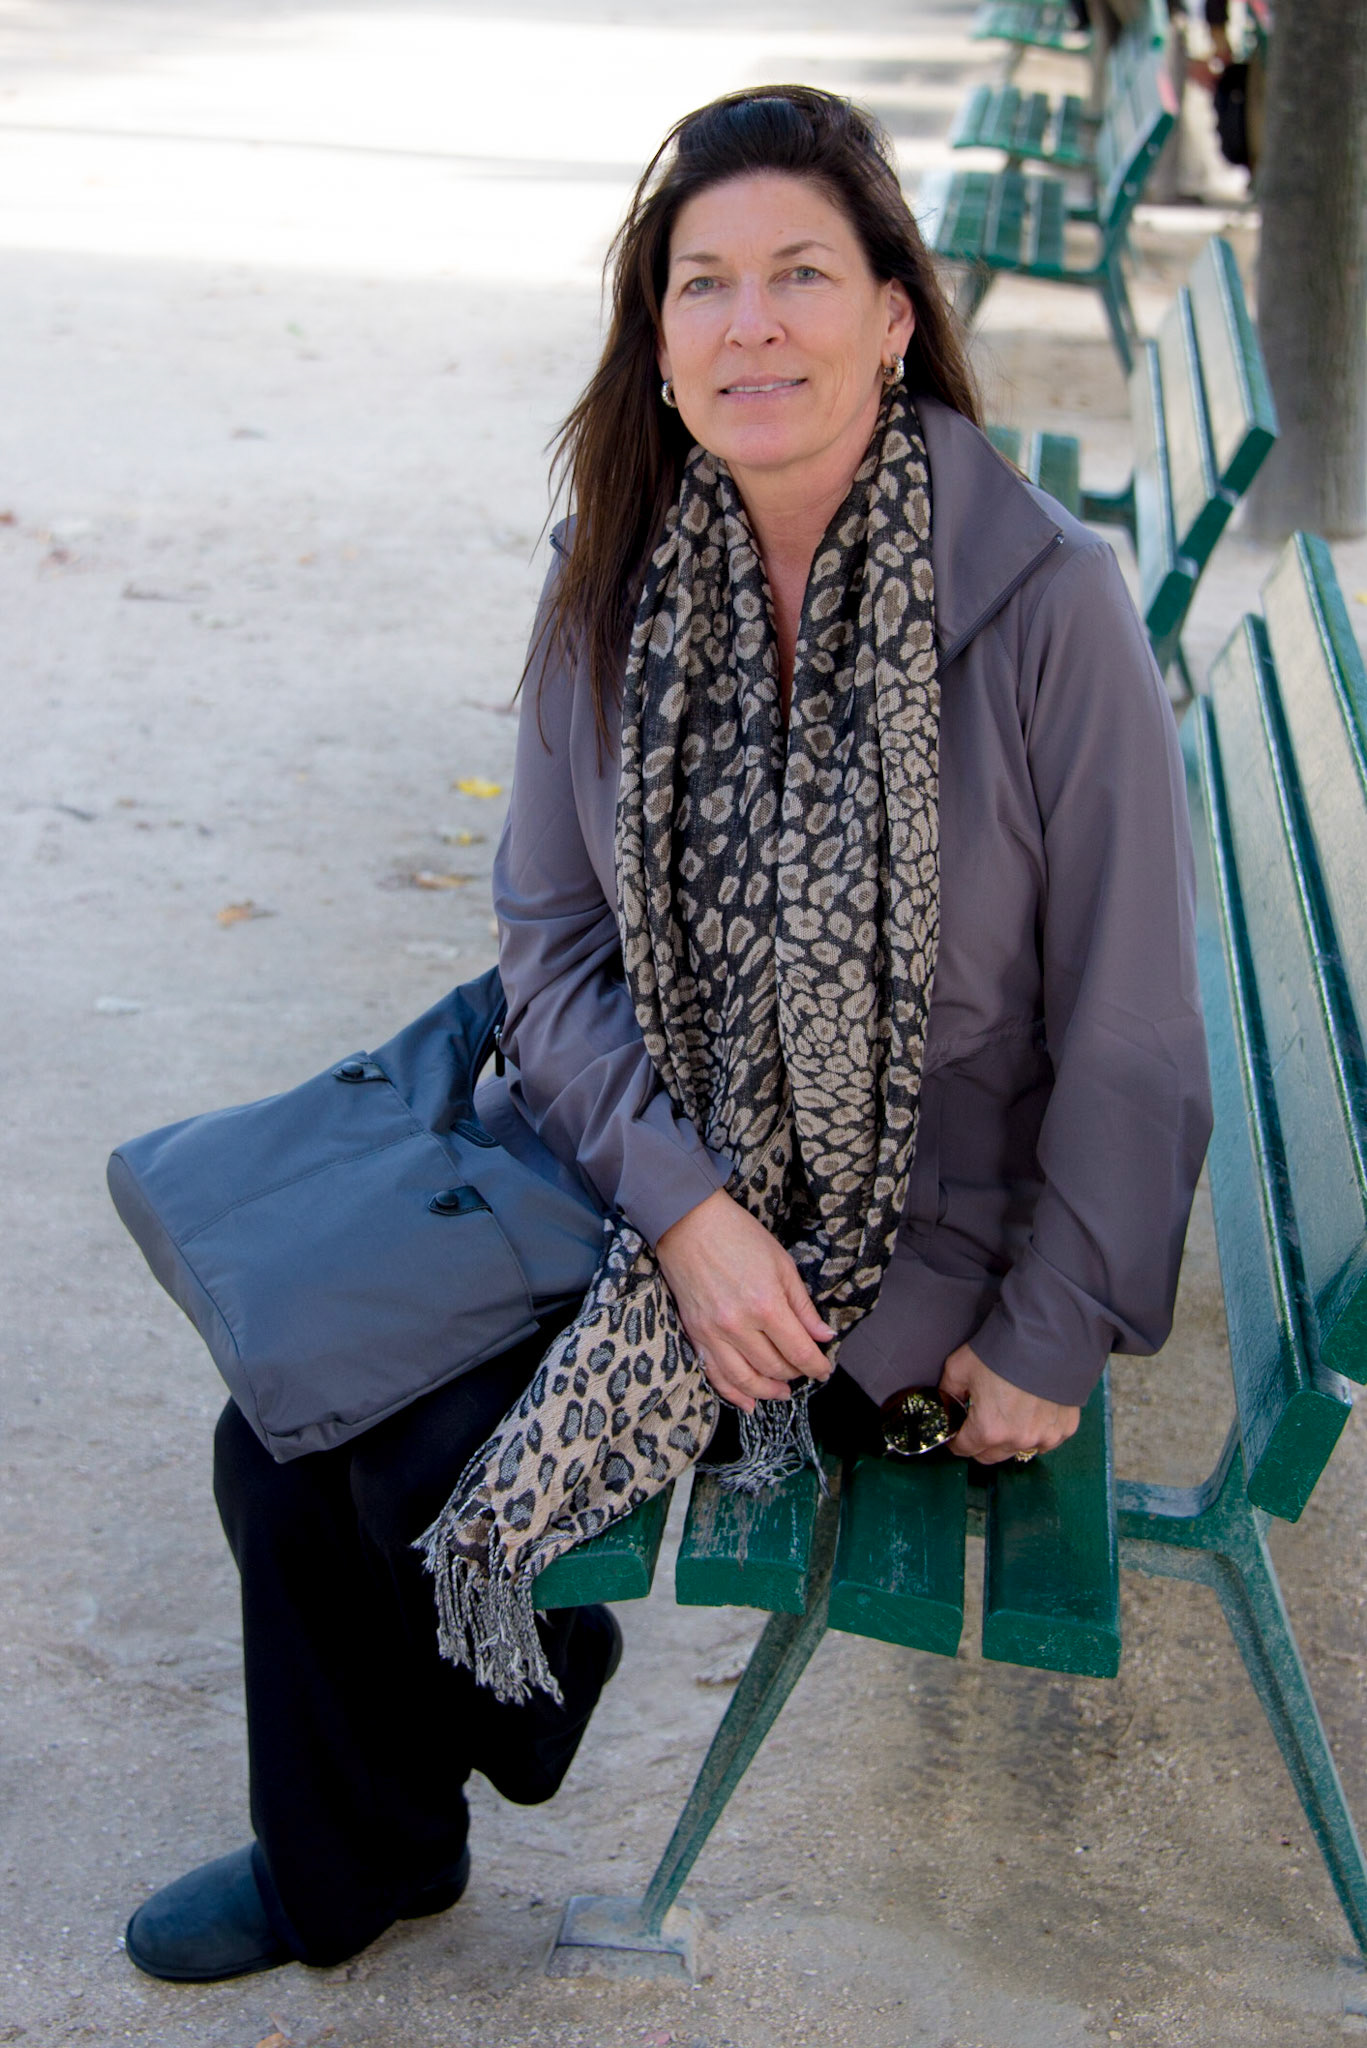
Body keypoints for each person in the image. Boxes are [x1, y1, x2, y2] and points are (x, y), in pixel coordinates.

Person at [123, 82, 1211, 1984]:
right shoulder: (616, 564)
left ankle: (477, 1708)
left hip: (901, 1256)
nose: (750, 323)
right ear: (658, 335)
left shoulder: (1045, 601)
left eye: (802, 272)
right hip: (637, 1173)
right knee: (286, 1425)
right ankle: (391, 1829)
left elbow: (1129, 1013)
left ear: (892, 311)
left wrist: (1055, 1326)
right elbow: (546, 943)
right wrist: (690, 1208)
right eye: (701, 285)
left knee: (373, 1461)